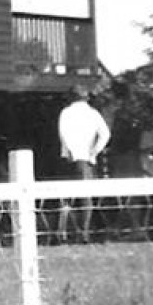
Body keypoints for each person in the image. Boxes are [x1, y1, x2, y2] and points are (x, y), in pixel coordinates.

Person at [57, 84, 111, 242]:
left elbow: (63, 134)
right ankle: (83, 232)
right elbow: (105, 134)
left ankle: (65, 233)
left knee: (67, 198)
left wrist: (70, 151)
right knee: (86, 198)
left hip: (70, 159)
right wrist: (95, 151)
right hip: (87, 160)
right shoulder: (93, 114)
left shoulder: (66, 112)